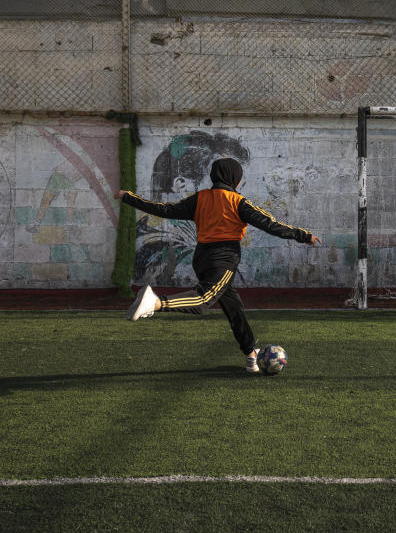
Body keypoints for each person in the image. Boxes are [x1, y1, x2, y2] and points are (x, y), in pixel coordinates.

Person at [115, 157, 320, 373]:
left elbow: (164, 209)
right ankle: (155, 303)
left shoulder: (200, 198)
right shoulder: (237, 201)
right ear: (234, 179)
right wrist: (303, 235)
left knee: (234, 308)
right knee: (204, 299)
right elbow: (270, 224)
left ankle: (251, 355)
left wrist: (129, 197)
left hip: (202, 257)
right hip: (224, 258)